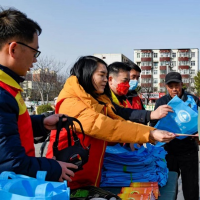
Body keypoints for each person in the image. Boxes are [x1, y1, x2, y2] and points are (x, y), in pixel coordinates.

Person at [46, 56, 176, 189]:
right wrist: (150, 134)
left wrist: (148, 132)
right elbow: (107, 127)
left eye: (106, 75)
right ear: (87, 74)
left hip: (85, 174)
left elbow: (119, 120)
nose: (105, 80)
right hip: (66, 177)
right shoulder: (71, 103)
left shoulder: (98, 100)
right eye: (101, 75)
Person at [0, 8, 77, 182]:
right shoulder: (2, 93)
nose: (35, 61)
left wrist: (40, 123)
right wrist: (54, 168)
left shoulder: (9, 88)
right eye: (35, 53)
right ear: (13, 49)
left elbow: (9, 127)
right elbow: (10, 164)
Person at [150, 72, 199, 200]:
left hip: (189, 151)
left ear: (182, 85)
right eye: (170, 86)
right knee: (169, 186)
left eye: (176, 85)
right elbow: (153, 124)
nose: (174, 89)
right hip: (168, 152)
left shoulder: (193, 100)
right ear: (166, 87)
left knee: (191, 187)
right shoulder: (162, 102)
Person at [108, 62, 173, 125]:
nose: (135, 80)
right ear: (110, 80)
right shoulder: (106, 98)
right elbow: (123, 113)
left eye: (137, 78)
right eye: (133, 77)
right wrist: (151, 114)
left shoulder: (135, 96)